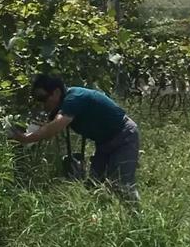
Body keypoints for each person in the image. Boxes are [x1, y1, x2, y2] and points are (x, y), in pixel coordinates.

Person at [9, 74, 141, 205]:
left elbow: (54, 127)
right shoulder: (61, 106)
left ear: (56, 92)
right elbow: (47, 128)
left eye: (43, 98)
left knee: (122, 185)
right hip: (104, 142)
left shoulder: (74, 98)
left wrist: (26, 138)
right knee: (95, 185)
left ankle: (136, 218)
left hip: (124, 136)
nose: (42, 104)